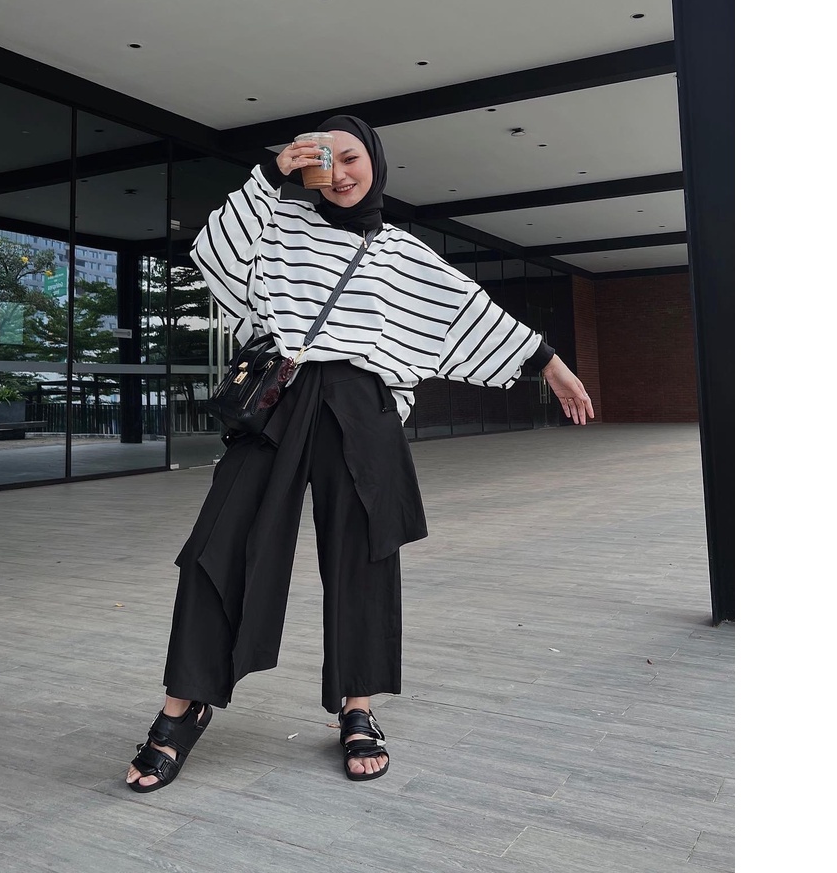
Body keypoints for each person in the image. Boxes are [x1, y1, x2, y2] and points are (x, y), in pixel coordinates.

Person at [125, 115, 593, 791]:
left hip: (363, 406)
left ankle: (357, 705)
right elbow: (214, 251)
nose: (341, 173)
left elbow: (469, 312)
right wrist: (271, 174)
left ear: (374, 161)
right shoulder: (279, 222)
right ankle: (184, 704)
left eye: (352, 158)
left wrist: (550, 364)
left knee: (364, 557)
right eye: (326, 160)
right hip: (281, 400)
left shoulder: (404, 252)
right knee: (217, 546)